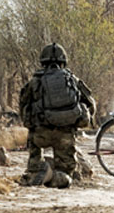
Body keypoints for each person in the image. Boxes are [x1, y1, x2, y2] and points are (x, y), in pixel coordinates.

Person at [18, 43, 93, 188]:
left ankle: (35, 169)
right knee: (66, 174)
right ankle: (55, 177)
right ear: (63, 61)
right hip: (65, 136)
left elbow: (23, 105)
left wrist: (30, 124)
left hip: (40, 135)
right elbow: (90, 103)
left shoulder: (35, 81)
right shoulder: (72, 80)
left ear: (42, 61)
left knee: (33, 137)